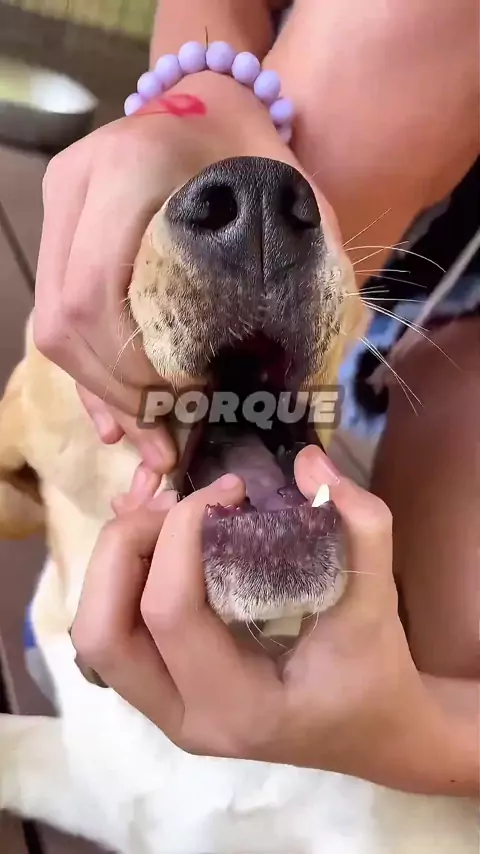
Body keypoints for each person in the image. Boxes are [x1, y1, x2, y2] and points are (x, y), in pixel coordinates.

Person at [34, 0, 479, 791]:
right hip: (407, 292)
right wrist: (204, 89)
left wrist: (424, 736)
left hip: (418, 263)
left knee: (462, 645)